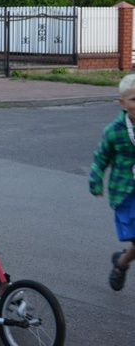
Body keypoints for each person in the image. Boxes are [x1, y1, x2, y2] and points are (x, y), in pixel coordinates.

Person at [89, 74, 135, 291]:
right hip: (126, 194)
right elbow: (101, 157)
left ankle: (121, 263)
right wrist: (95, 181)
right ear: (122, 103)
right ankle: (122, 263)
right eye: (134, 99)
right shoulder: (114, 132)